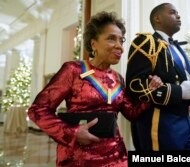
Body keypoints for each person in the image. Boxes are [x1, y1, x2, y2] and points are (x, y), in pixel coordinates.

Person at [28, 11, 163, 167]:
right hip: (79, 158)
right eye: (111, 39)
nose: (119, 46)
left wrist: (150, 91)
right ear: (93, 44)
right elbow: (38, 110)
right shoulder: (73, 70)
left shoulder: (118, 78)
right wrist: (72, 134)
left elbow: (132, 112)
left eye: (121, 40)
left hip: (116, 157)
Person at [126, 3, 190, 150]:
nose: (178, 16)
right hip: (162, 121)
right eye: (173, 12)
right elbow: (135, 85)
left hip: (187, 122)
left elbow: (188, 82)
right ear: (157, 18)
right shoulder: (146, 42)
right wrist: (178, 92)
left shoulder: (178, 48)